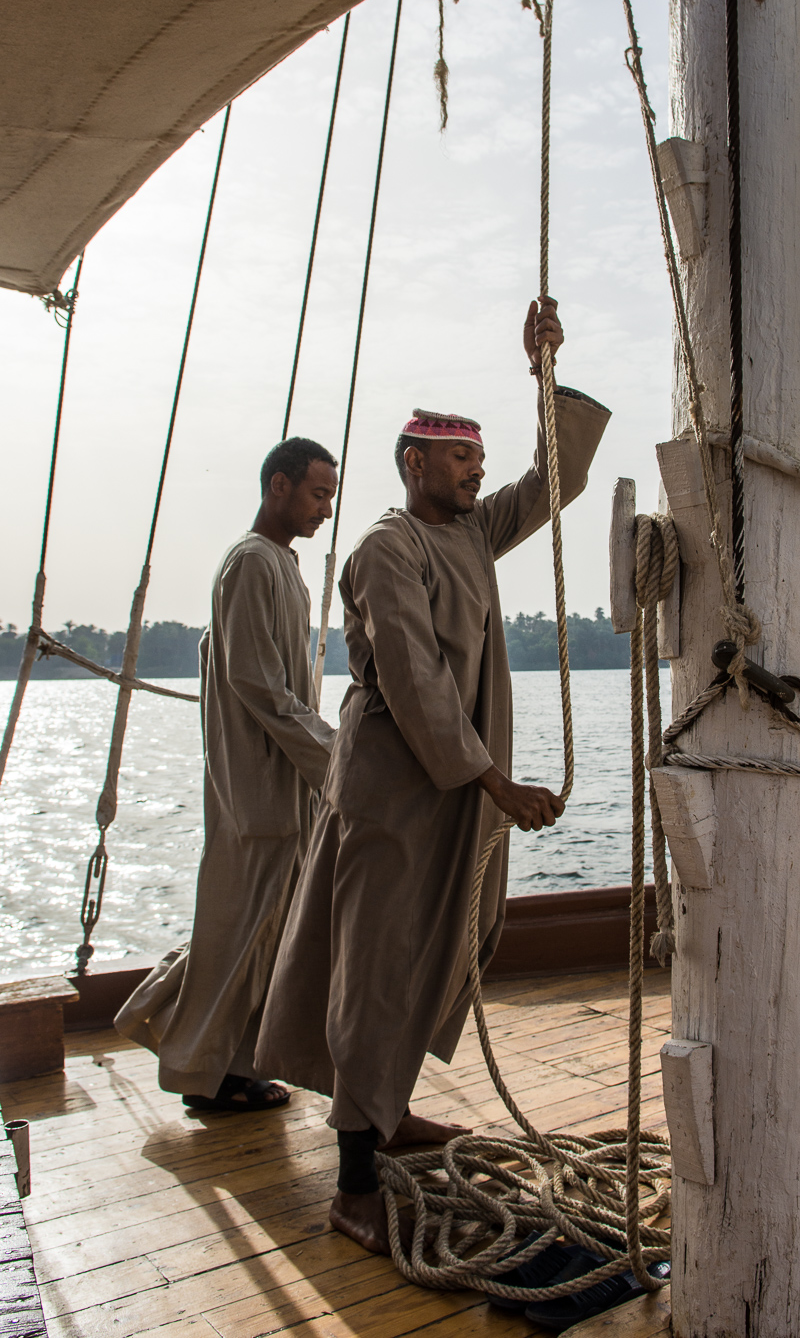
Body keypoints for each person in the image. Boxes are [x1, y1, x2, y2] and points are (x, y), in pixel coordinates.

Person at [255, 297, 610, 1250]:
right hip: (396, 792)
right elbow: (410, 679)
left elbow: (555, 479)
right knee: (377, 964)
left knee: (450, 940)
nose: (477, 472)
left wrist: (544, 373)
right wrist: (495, 783)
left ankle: (391, 1107)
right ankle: (355, 1180)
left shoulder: (474, 531)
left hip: (458, 789)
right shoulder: (387, 546)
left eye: (479, 461)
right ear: (415, 463)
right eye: (461, 460)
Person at [115, 437, 339, 1110]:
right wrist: (334, 759)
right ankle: (197, 1071)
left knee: (257, 932)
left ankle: (227, 1066)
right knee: (241, 931)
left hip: (283, 786)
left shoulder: (280, 565)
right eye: (317, 493)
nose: (325, 509)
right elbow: (256, 682)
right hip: (260, 788)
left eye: (330, 496)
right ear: (278, 486)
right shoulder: (250, 565)